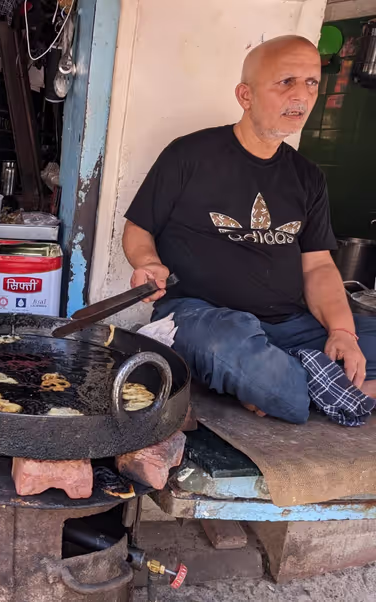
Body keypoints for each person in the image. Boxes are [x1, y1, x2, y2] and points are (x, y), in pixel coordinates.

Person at [122, 35, 376, 424]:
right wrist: (147, 262)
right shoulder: (189, 155)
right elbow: (139, 229)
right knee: (230, 348)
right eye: (286, 81)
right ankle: (309, 386)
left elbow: (319, 267)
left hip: (292, 324)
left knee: (348, 346)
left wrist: (342, 332)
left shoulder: (307, 177)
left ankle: (287, 383)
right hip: (203, 317)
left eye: (311, 83)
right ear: (246, 95)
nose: (302, 96)